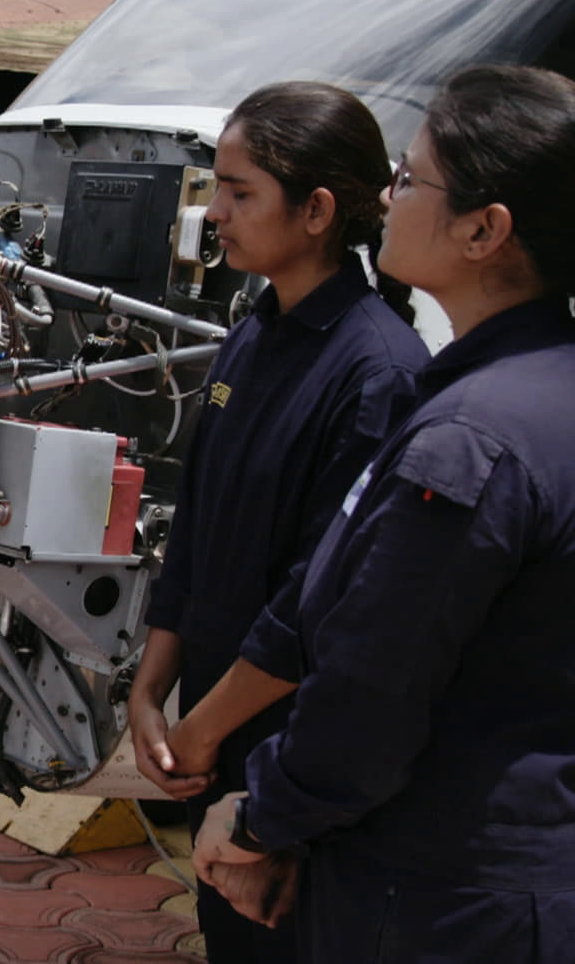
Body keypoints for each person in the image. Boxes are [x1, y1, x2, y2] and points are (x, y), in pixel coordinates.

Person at [192, 64, 575, 961]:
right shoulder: (522, 397)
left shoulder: (470, 436)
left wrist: (260, 817)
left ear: (485, 229)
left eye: (408, 180)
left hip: (438, 895)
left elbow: (372, 682)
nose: (388, 200)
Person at [124, 81, 430, 959]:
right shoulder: (257, 329)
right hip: (205, 737)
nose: (212, 212)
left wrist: (199, 730)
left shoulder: (378, 375)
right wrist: (151, 691)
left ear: (318, 210)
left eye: (239, 190)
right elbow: (199, 521)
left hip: (284, 769)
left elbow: (320, 603)